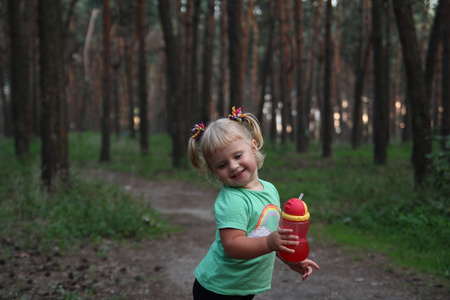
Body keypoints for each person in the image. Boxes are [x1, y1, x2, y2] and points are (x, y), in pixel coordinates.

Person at [188, 107, 320, 299]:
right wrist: (269, 243)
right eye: (222, 165)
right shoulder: (233, 200)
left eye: (238, 156)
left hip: (239, 288)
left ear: (253, 146)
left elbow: (270, 235)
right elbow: (232, 246)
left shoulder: (269, 190)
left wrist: (289, 259)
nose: (233, 166)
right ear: (214, 171)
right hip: (218, 288)